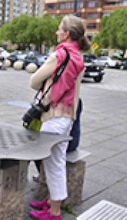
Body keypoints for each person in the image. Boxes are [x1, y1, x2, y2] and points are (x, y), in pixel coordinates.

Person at [28, 15, 90, 220]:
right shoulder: (79, 57)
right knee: (57, 162)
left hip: (53, 115)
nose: (56, 32)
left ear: (67, 33)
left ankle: (54, 212)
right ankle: (52, 203)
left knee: (53, 164)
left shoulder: (59, 55)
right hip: (68, 116)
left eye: (59, 29)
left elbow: (34, 82)